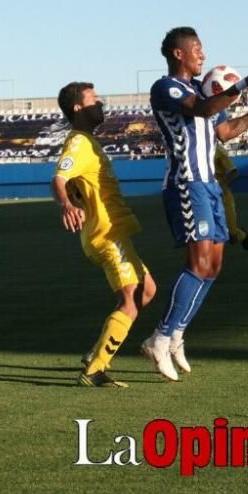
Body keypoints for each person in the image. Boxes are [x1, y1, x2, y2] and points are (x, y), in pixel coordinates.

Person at [141, 26, 248, 382]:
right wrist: (240, 85)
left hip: (209, 185)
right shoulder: (168, 88)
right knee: (198, 262)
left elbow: (224, 130)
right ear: (179, 54)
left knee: (214, 265)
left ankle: (176, 334)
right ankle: (158, 338)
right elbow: (201, 109)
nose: (202, 55)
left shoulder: (199, 90)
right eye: (197, 49)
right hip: (185, 184)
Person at [52, 81, 158, 388]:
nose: (101, 104)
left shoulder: (88, 141)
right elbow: (58, 179)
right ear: (78, 108)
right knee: (131, 298)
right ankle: (95, 369)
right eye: (94, 99)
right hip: (106, 234)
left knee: (147, 290)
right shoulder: (78, 143)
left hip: (114, 232)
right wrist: (67, 204)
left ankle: (94, 355)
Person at [214, 143, 248, 250]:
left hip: (223, 197)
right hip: (206, 196)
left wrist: (221, 186)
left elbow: (234, 172)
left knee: (232, 237)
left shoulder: (218, 151)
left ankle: (241, 234)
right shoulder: (196, 150)